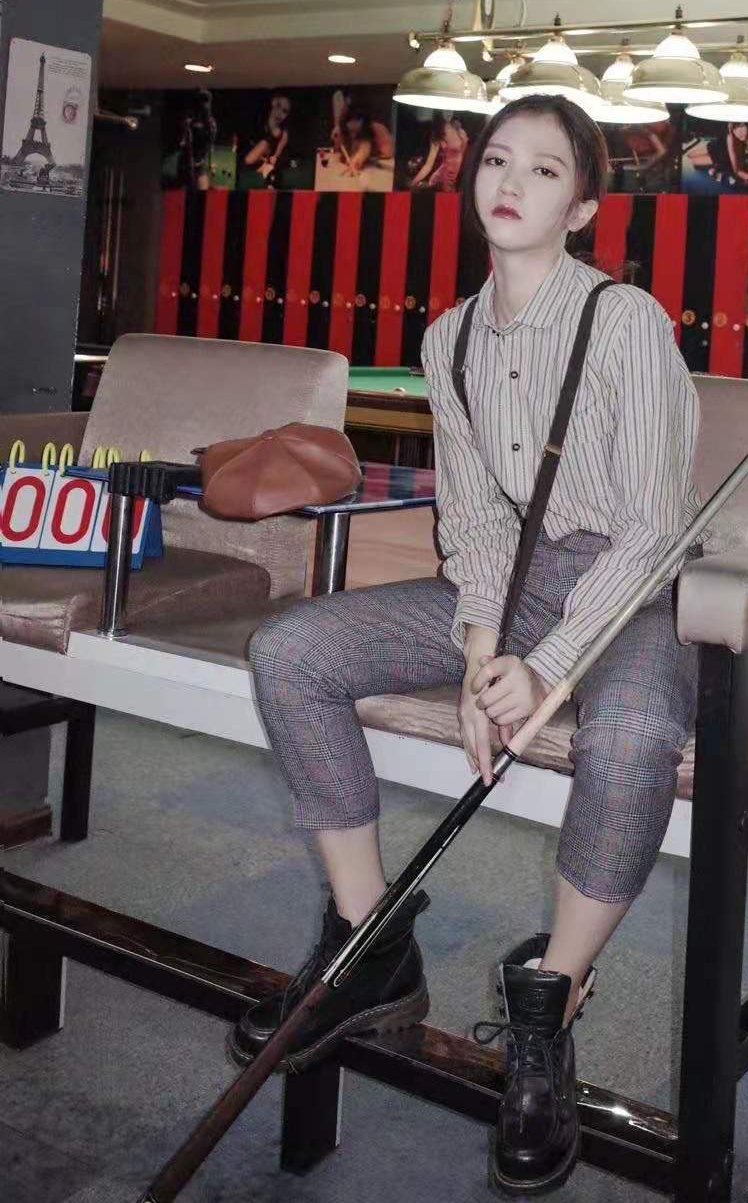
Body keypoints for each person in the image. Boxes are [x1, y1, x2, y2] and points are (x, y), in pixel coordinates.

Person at [229, 93, 703, 1196]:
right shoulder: (448, 340)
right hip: (521, 592)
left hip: (634, 593)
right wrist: (484, 640)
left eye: (545, 169)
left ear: (581, 206)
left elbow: (652, 527)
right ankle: (370, 941)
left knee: (632, 733)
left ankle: (553, 997)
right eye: (497, 160)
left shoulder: (625, 321)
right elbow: (482, 522)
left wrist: (551, 668)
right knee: (291, 653)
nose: (511, 182)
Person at [331, 98, 394, 176]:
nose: (353, 123)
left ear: (364, 120)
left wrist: (357, 160)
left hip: (378, 172)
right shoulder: (342, 131)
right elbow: (340, 152)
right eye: (349, 119)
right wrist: (338, 142)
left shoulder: (376, 130)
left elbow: (364, 148)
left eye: (357, 119)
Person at [410, 112, 470, 191]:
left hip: (457, 173)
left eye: (450, 109)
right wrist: (412, 184)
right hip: (444, 174)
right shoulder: (438, 134)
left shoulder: (460, 131)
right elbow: (429, 165)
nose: (448, 112)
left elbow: (464, 154)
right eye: (445, 110)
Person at [244, 91, 292, 187]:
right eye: (278, 106)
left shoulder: (283, 133)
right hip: (252, 161)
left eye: (284, 111)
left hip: (268, 165)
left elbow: (277, 154)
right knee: (264, 144)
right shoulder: (259, 122)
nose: (280, 113)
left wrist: (272, 160)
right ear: (273, 102)